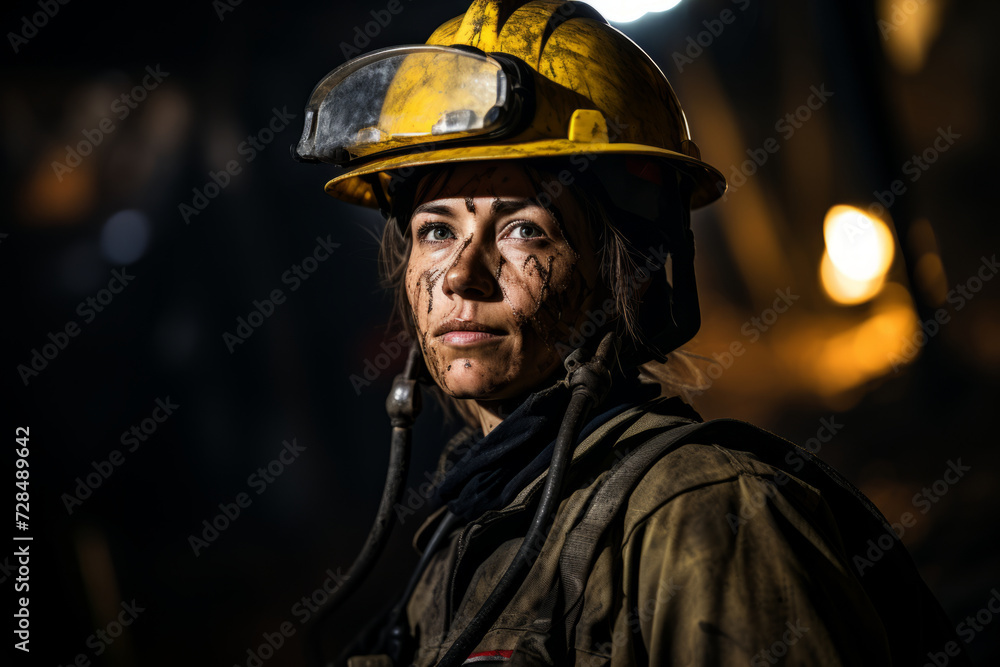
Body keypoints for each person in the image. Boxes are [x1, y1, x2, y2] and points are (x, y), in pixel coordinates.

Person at [293, 1, 970, 665]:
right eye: (436, 230)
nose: (462, 275)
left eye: (523, 228)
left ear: (630, 271)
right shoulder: (462, 540)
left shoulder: (705, 515)